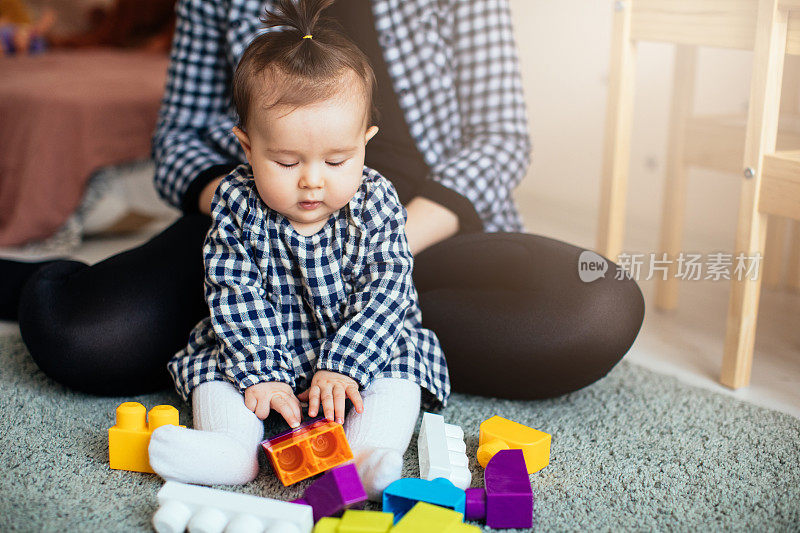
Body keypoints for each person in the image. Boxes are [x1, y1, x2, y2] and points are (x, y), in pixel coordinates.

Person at [1, 0, 644, 402]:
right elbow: (178, 143)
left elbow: (501, 139)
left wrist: (378, 251)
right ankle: (39, 282)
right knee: (78, 337)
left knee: (598, 308)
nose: (319, 175)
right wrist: (256, 219)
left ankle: (357, 339)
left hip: (423, 231)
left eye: (339, 159)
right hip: (254, 241)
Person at [147, 0, 447, 498]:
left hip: (361, 347)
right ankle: (229, 448)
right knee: (214, 370)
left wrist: (344, 365)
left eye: (337, 160)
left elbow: (388, 294)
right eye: (286, 162)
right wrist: (261, 373)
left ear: (365, 144)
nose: (312, 182)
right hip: (263, 342)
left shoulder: (377, 202)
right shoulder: (237, 201)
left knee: (401, 373)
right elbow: (233, 291)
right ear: (246, 147)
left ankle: (368, 454)